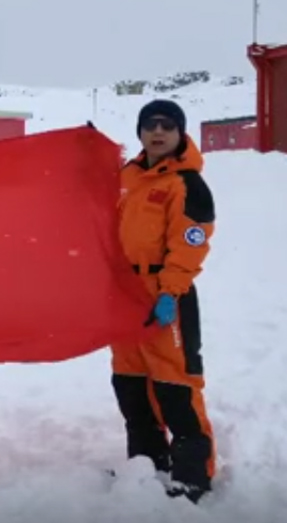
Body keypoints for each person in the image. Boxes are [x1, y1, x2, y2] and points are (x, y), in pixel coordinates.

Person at [111, 99, 216, 503]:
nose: (158, 132)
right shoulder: (127, 176)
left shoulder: (187, 184)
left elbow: (191, 245)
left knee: (175, 384)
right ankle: (148, 463)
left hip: (165, 295)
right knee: (131, 382)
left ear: (179, 132)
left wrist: (170, 292)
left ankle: (192, 475)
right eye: (150, 124)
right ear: (140, 132)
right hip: (124, 294)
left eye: (167, 125)